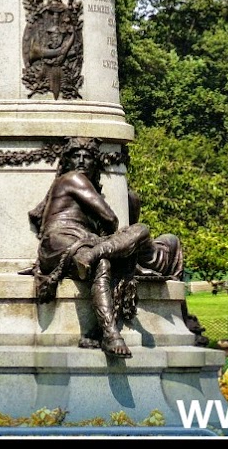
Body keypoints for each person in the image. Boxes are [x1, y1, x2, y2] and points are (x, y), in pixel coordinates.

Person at [25, 137, 152, 356]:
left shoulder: (70, 182)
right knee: (115, 252)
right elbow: (110, 218)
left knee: (139, 231)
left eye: (88, 157)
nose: (82, 161)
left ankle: (92, 255)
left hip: (79, 241)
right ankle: (111, 335)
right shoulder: (73, 178)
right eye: (76, 155)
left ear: (97, 163)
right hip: (62, 239)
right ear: (67, 161)